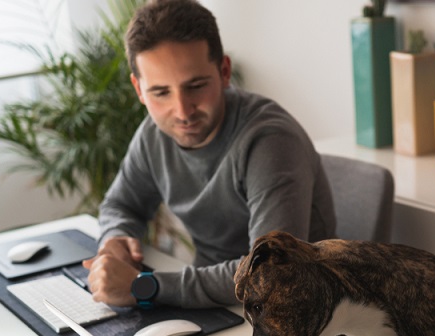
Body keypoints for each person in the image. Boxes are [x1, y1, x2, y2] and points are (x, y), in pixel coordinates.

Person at [83, 0, 336, 309]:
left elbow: (269, 273)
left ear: (224, 71)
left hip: (292, 313)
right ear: (139, 89)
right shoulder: (154, 133)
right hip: (215, 307)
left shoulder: (270, 141)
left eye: (196, 86)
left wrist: (146, 286)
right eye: (160, 92)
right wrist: (115, 239)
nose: (182, 111)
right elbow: (121, 204)